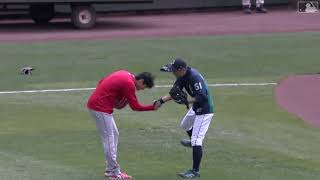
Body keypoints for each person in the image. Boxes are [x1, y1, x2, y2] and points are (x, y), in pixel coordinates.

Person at [87, 70, 159, 180]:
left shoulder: (125, 74)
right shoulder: (129, 84)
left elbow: (102, 81)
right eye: (143, 87)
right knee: (109, 139)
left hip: (100, 106)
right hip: (100, 108)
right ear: (141, 81)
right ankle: (115, 173)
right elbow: (135, 107)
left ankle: (110, 169)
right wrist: (152, 108)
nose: (141, 89)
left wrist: (110, 98)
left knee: (114, 134)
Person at [154, 58, 214, 178]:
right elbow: (174, 92)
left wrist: (189, 101)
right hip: (196, 107)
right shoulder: (181, 76)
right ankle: (193, 142)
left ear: (181, 69)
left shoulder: (194, 77)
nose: (173, 73)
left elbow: (202, 96)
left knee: (197, 140)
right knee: (185, 125)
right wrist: (160, 101)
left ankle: (194, 171)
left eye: (174, 71)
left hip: (205, 109)